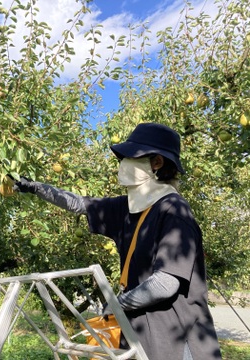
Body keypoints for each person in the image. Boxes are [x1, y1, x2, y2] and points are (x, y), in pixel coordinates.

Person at [13, 123, 222, 360]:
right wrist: (35, 187)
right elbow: (78, 204)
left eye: (130, 157)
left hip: (175, 338)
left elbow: (165, 284)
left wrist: (117, 303)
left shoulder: (174, 212)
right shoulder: (128, 207)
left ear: (157, 163)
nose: (122, 163)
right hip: (141, 335)